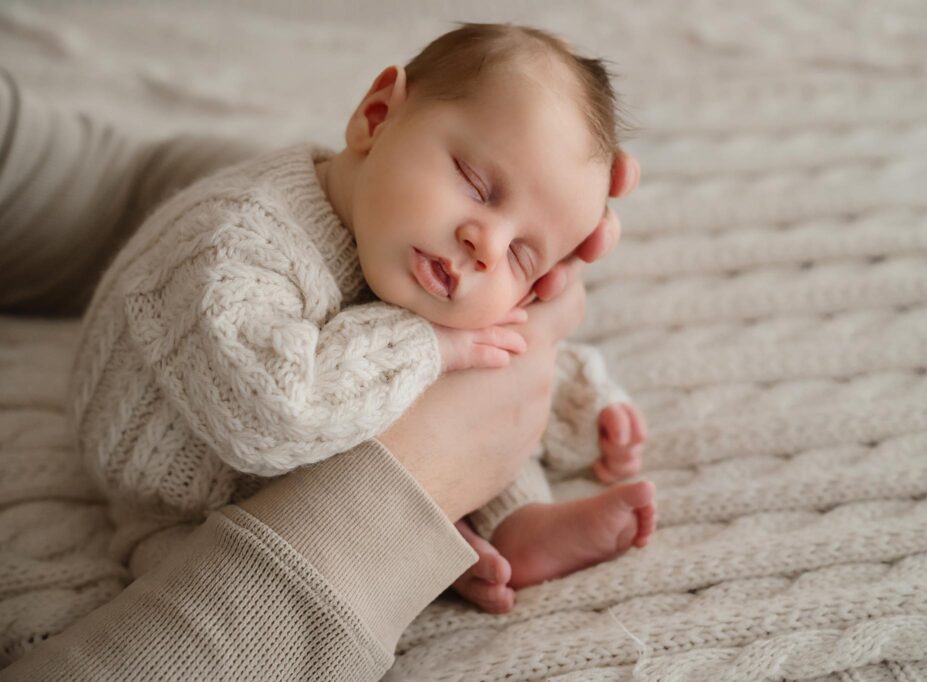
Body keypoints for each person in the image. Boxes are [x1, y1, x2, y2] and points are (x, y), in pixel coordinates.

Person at [0, 30, 641, 682]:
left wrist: (581, 398)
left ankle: (512, 522)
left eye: (523, 256)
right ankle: (417, 531)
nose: (486, 245)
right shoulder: (238, 245)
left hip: (308, 421)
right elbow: (278, 409)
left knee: (464, 359)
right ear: (376, 117)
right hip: (186, 484)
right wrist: (428, 347)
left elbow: (493, 343)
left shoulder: (397, 235)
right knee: (193, 564)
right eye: (477, 184)